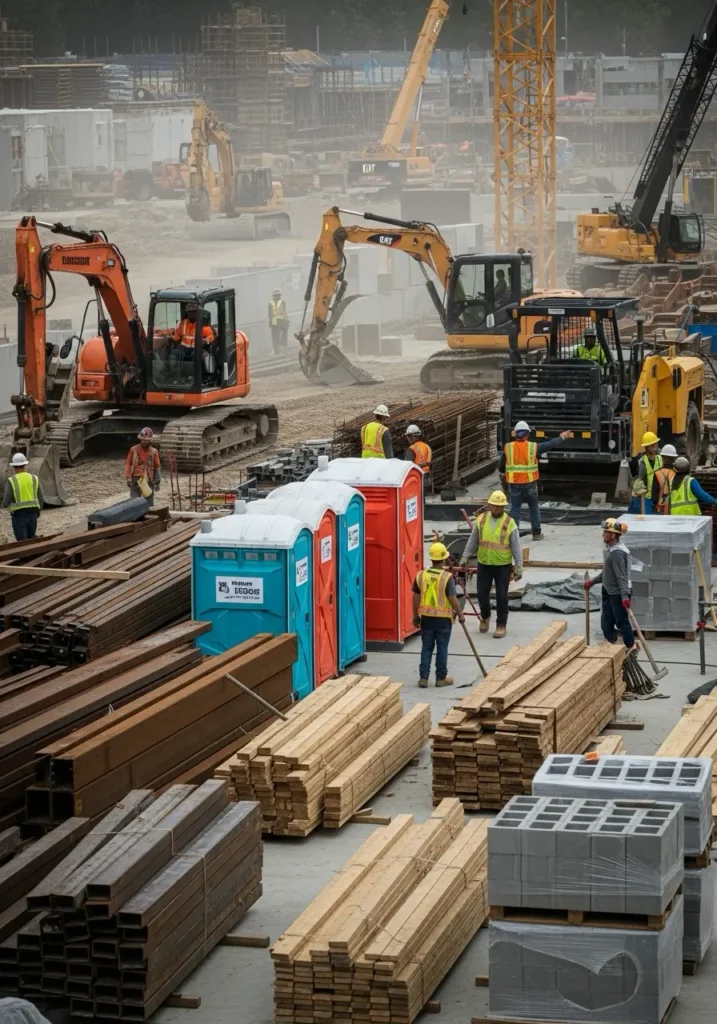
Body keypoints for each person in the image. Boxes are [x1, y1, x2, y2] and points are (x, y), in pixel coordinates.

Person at [459, 490, 523, 639]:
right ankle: (485, 617)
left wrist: (519, 566)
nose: (495, 509)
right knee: (482, 594)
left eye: (498, 506)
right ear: (489, 505)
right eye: (493, 506)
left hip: (502, 565)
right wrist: (465, 557)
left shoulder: (509, 523)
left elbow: (516, 546)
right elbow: (473, 540)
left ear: (503, 507)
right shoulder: (481, 520)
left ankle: (501, 624)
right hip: (484, 563)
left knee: (501, 596)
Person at [500, 420, 572, 540]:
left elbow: (501, 468)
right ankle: (537, 533)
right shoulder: (533, 447)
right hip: (530, 484)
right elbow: (549, 444)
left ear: (515, 434)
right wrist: (562, 437)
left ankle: (513, 536)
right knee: (533, 508)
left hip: (514, 484)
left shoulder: (508, 448)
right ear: (527, 434)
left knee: (515, 509)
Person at [412, 541, 465, 688]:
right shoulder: (447, 577)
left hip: (426, 619)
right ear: (443, 559)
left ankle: (423, 677)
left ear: (431, 558)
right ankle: (441, 678)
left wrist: (415, 616)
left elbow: (415, 597)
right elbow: (453, 598)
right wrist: (460, 614)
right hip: (443, 621)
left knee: (426, 647)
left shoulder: (421, 575)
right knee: (442, 648)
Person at [584, 518, 635, 651]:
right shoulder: (611, 550)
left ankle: (631, 646)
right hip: (608, 591)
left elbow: (621, 576)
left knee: (622, 621)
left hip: (618, 593)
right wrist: (592, 582)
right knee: (606, 623)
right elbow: (607, 573)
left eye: (606, 532)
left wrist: (624, 596)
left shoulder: (618, 553)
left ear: (613, 535)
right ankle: (616, 642)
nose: (603, 535)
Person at [3, 452, 43, 541]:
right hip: (33, 514)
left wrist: (4, 505)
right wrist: (37, 511)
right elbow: (41, 498)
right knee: (31, 539)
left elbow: (6, 501)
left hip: (19, 516)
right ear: (25, 464)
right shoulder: (34, 478)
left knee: (22, 543)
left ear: (13, 467)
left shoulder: (11, 480)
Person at [171, 301, 214, 369]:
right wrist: (173, 338)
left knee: (196, 356)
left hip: (197, 348)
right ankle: (173, 374)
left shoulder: (203, 324)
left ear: (197, 312)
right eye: (189, 312)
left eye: (193, 312)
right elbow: (177, 335)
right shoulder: (183, 323)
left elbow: (211, 337)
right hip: (183, 348)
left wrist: (205, 340)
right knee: (173, 355)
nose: (191, 314)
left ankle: (195, 377)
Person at [125, 427, 161, 505]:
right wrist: (128, 478)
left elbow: (157, 467)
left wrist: (157, 482)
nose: (145, 442)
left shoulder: (154, 452)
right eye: (143, 440)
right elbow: (128, 464)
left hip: (148, 480)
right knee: (134, 504)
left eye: (147, 440)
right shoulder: (133, 450)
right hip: (136, 479)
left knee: (149, 505)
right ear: (141, 439)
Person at [629, 431, 662, 513]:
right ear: (647, 447)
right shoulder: (641, 461)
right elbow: (638, 477)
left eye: (656, 444)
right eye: (652, 445)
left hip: (658, 496)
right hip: (647, 497)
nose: (655, 446)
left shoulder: (660, 459)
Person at [651, 443, 678, 514]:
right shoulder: (676, 473)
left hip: (661, 509)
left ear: (662, 457)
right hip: (674, 508)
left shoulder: (657, 473)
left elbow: (654, 496)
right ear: (674, 459)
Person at [268, 288, 289, 354]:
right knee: (283, 337)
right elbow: (284, 312)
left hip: (276, 322)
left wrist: (273, 324)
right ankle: (284, 350)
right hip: (283, 322)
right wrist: (287, 321)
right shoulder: (282, 302)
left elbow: (271, 314)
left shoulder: (271, 303)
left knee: (275, 337)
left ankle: (276, 351)